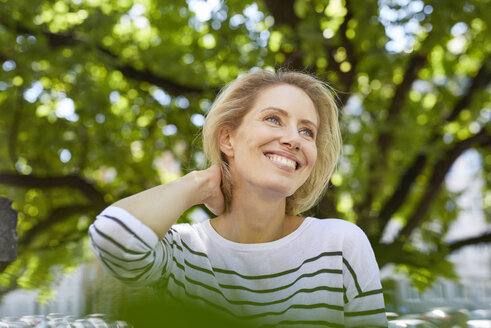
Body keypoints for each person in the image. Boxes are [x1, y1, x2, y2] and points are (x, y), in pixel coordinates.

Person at [89, 69, 388, 328]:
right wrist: (200, 182)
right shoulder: (182, 251)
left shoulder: (340, 245)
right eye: (273, 119)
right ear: (227, 139)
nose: (294, 139)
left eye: (307, 131)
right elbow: (111, 237)